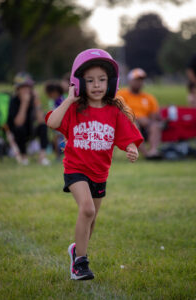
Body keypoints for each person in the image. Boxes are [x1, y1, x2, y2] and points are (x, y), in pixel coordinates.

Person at [45, 49, 143, 280]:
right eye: (90, 81)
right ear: (78, 83)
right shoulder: (74, 108)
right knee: (87, 209)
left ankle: (77, 250)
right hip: (76, 168)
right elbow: (52, 122)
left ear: (111, 83)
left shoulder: (115, 111)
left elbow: (128, 137)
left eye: (102, 80)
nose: (97, 85)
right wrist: (69, 99)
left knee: (92, 220)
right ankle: (80, 262)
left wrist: (132, 148)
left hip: (100, 173)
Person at [117, 68, 162, 159]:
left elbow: (154, 116)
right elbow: (118, 112)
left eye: (141, 80)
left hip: (146, 125)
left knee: (155, 126)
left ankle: (153, 151)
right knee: (134, 125)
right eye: (136, 80)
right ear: (130, 81)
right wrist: (137, 118)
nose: (139, 82)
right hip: (128, 124)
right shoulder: (121, 94)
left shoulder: (149, 98)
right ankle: (146, 154)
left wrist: (148, 121)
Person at [7, 72, 50, 165]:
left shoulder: (33, 99)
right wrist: (24, 103)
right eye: (23, 87)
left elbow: (41, 120)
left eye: (28, 87)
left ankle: (42, 157)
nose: (26, 90)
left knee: (43, 126)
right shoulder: (14, 101)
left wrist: (37, 102)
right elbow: (18, 123)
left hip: (30, 130)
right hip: (17, 133)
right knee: (20, 128)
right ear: (17, 89)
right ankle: (23, 156)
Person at [45, 80, 66, 159]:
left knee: (57, 139)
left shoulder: (60, 100)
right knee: (58, 139)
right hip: (59, 123)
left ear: (55, 92)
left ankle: (58, 156)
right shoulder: (57, 100)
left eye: (49, 94)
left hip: (62, 123)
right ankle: (59, 155)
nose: (49, 96)